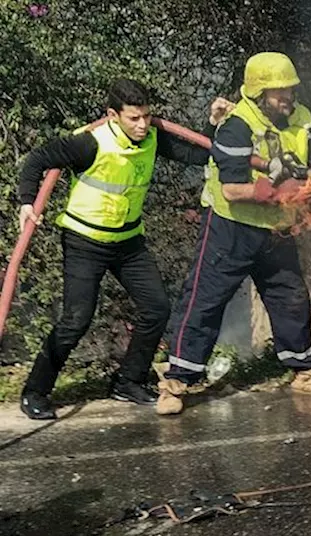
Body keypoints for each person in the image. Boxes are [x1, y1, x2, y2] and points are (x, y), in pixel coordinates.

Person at [14, 78, 233, 420]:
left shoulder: (152, 137)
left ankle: (127, 381)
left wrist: (213, 125)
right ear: (113, 115)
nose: (143, 125)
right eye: (134, 118)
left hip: (129, 241)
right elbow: (37, 159)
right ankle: (35, 391)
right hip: (84, 240)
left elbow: (195, 154)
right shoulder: (89, 143)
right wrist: (28, 202)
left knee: (157, 308)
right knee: (76, 319)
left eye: (147, 116)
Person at [158, 52, 311, 415]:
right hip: (231, 228)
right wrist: (273, 191)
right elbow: (231, 189)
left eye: (290, 89)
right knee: (206, 300)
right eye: (279, 92)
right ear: (259, 93)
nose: (287, 97)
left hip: (277, 228)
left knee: (290, 298)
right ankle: (176, 381)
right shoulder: (237, 125)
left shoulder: (302, 118)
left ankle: (303, 370)